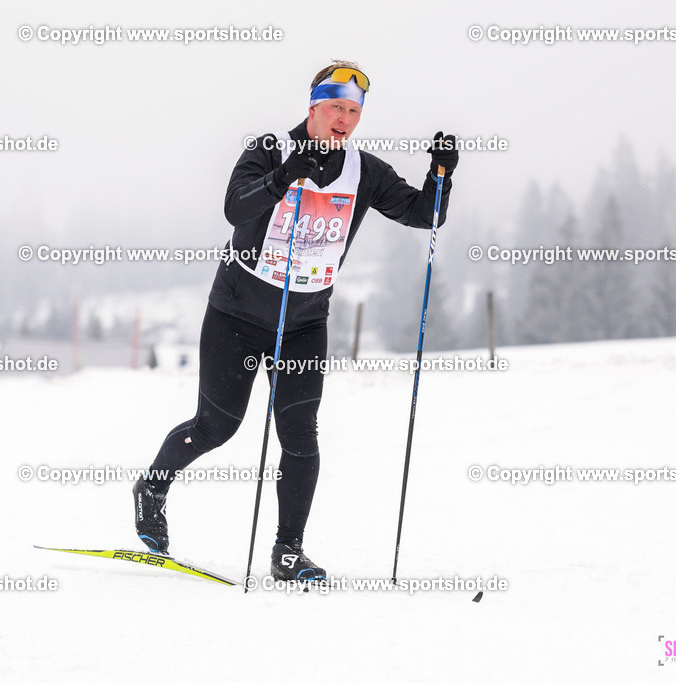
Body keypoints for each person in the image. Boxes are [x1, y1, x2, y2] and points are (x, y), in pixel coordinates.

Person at [134, 60, 458, 582]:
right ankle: (152, 487)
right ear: (312, 107)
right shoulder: (269, 151)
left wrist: (440, 175)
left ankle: (288, 552)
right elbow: (235, 209)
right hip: (236, 314)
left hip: (305, 320)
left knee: (300, 436)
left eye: (354, 111)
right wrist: (285, 177)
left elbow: (426, 215)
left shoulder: (365, 171)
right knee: (217, 427)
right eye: (336, 107)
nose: (344, 119)